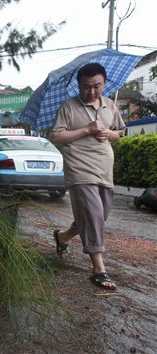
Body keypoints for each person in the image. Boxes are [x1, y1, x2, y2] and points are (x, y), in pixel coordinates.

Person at [50, 63, 125, 290]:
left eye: (97, 86)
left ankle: (63, 236)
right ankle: (98, 269)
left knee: (98, 216)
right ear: (78, 85)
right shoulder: (69, 107)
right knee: (92, 214)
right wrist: (87, 129)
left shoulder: (109, 105)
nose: (92, 92)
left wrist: (109, 133)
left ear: (104, 83)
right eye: (86, 87)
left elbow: (120, 132)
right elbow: (57, 136)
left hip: (104, 169)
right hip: (80, 169)